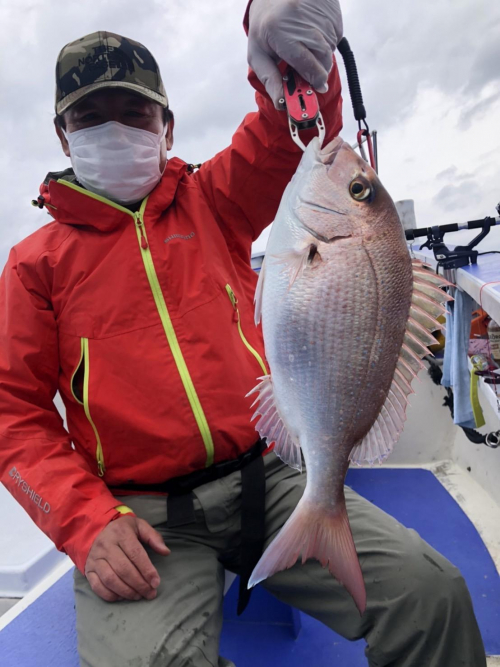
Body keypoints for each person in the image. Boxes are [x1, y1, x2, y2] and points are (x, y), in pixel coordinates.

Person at [0, 1, 487, 666]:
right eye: (91, 115)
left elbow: (298, 135)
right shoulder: (34, 265)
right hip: (142, 514)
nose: (115, 127)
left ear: (167, 126)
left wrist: (282, 48)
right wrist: (84, 521)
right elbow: (15, 414)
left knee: (432, 593)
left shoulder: (213, 200)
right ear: (63, 134)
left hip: (274, 473)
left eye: (135, 112)